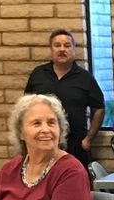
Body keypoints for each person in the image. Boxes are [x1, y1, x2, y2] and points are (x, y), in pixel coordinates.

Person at [24, 29, 104, 170]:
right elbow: (26, 107)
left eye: (67, 46)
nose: (62, 49)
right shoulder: (38, 74)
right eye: (57, 45)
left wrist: (89, 138)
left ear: (73, 50)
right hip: (42, 143)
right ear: (51, 49)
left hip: (75, 145)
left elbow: (99, 108)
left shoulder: (85, 78)